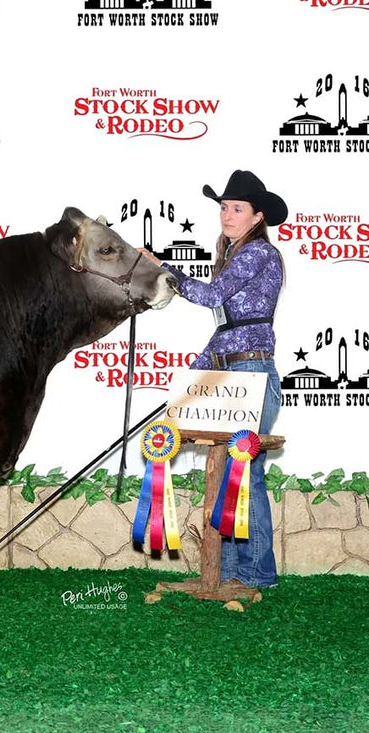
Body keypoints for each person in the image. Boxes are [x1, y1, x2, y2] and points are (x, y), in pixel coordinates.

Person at [155, 169, 286, 589]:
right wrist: (191, 381)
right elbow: (226, 329)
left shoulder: (256, 254)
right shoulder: (234, 256)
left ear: (256, 217)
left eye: (237, 209)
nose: (227, 215)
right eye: (224, 208)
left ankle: (256, 573)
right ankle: (230, 570)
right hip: (234, 370)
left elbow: (211, 297)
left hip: (251, 373)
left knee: (246, 470)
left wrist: (162, 268)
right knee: (236, 470)